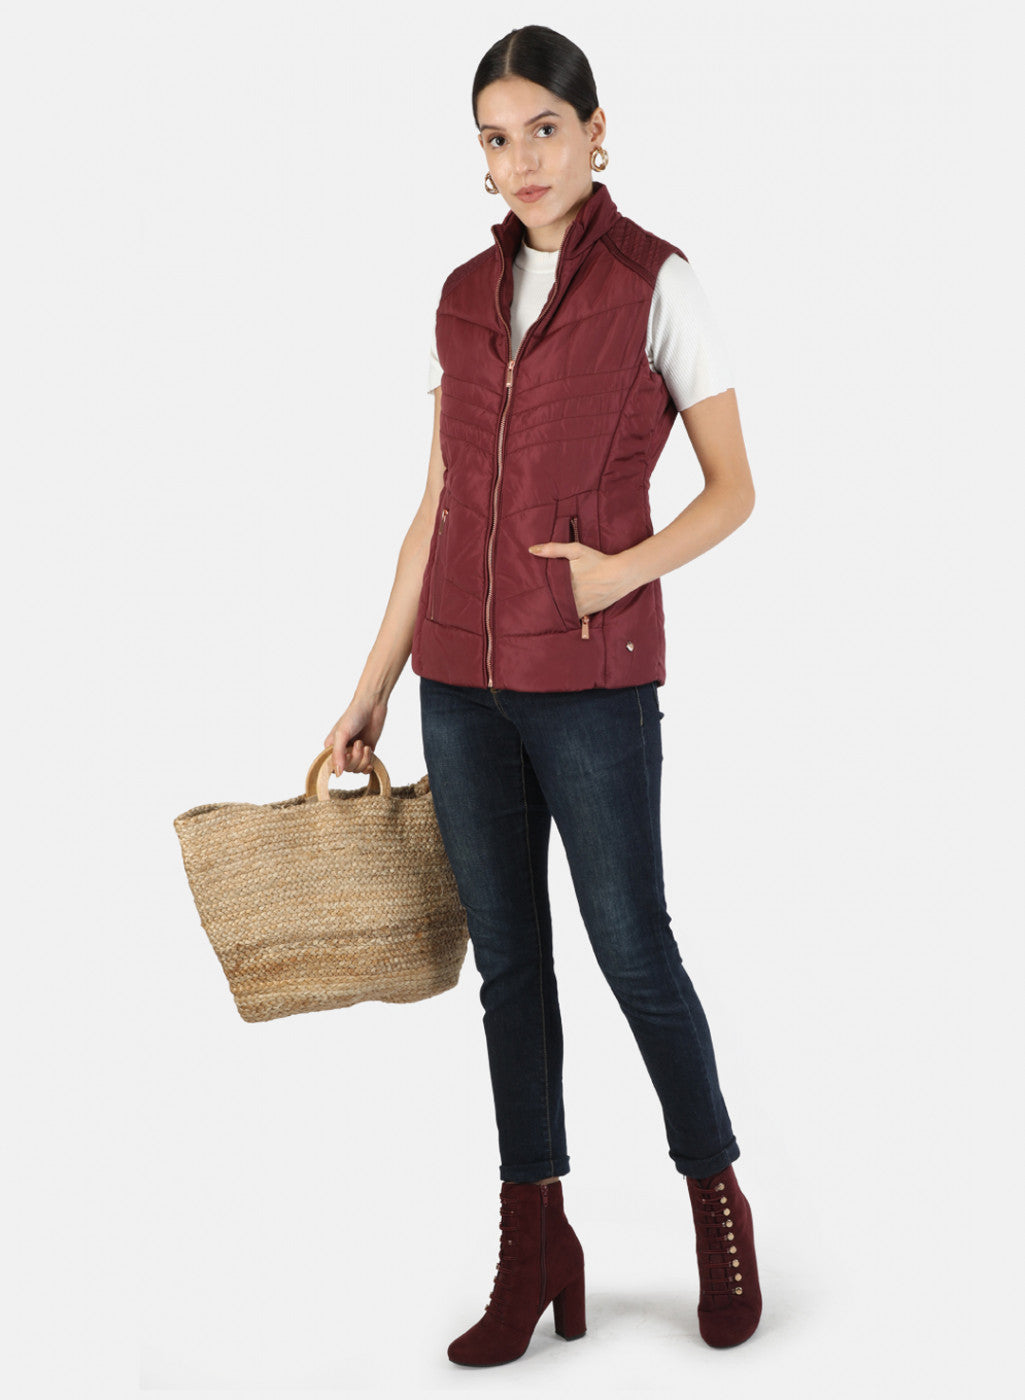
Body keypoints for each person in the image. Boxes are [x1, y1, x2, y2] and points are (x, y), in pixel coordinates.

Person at [323, 23, 762, 1369]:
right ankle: (536, 1242)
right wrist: (369, 690)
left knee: (634, 951)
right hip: (459, 688)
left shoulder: (655, 281)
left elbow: (735, 490)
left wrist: (620, 569)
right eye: (496, 139)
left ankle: (717, 1204)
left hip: (591, 683)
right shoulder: (463, 295)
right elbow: (437, 506)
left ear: (594, 130)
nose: (521, 161)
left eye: (544, 130)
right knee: (510, 972)